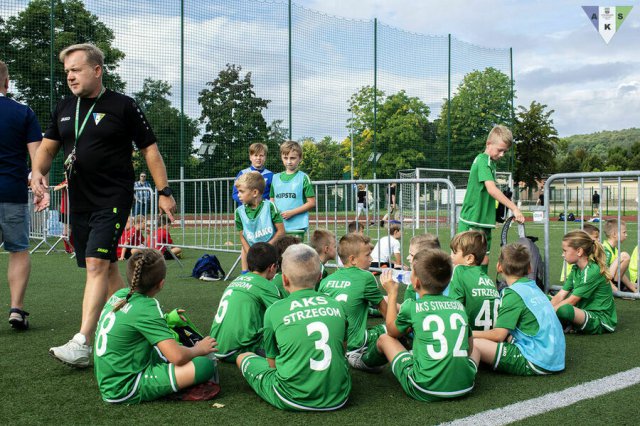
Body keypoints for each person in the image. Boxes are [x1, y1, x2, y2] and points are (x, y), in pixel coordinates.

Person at [31, 43, 177, 367]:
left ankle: (83, 341)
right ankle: (139, 328)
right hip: (79, 200)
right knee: (107, 267)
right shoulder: (65, 107)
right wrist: (37, 173)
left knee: (96, 266)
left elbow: (150, 150)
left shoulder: (123, 106)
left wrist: (163, 190)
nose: (70, 76)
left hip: (112, 198)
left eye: (76, 69)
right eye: (67, 71)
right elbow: (47, 149)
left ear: (97, 70)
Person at [94, 249, 219, 403]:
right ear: (161, 284)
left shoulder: (120, 295)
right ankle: (173, 389)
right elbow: (177, 357)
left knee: (168, 347)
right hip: (124, 387)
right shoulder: (147, 306)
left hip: (115, 373)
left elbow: (134, 323)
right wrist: (199, 348)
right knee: (204, 365)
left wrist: (167, 319)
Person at [236, 244, 351, 411]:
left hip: (292, 397)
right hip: (339, 396)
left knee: (243, 357)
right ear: (320, 276)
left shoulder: (274, 310)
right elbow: (342, 349)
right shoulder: (336, 305)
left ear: (284, 279)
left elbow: (272, 363)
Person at [377, 249, 477, 401]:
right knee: (478, 351)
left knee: (384, 339)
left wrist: (392, 295)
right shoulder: (459, 306)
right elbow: (469, 350)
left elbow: (392, 331)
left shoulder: (412, 306)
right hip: (466, 386)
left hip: (425, 388)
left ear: (416, 281)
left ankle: (362, 361)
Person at [473, 243, 565, 375]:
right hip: (555, 357)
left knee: (475, 343)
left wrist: (468, 333)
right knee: (510, 334)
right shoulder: (534, 288)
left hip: (537, 360)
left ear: (499, 267)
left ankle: (466, 377)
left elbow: (498, 335)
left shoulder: (512, 293)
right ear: (529, 268)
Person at [0, 60, 44, 330]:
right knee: (17, 251)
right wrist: (40, 188)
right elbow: (38, 157)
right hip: (12, 193)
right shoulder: (23, 112)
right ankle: (16, 309)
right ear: (7, 82)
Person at [458, 125, 524, 273]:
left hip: (483, 221)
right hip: (472, 219)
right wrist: (514, 207)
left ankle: (480, 292)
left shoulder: (491, 163)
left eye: (504, 151)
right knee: (465, 261)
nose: (501, 154)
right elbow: (491, 189)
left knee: (484, 259)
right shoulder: (483, 160)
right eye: (499, 150)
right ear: (488, 144)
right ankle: (459, 293)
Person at [318, 233, 388, 372]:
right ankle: (359, 357)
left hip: (331, 343)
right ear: (353, 259)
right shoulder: (366, 277)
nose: (371, 259)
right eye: (367, 255)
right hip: (353, 343)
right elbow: (386, 311)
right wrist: (392, 294)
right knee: (400, 327)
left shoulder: (325, 281)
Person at [210, 243, 280, 363]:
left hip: (214, 346)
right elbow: (284, 316)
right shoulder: (266, 285)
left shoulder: (237, 279)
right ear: (272, 267)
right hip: (238, 349)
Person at [551, 230, 617, 334]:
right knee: (545, 299)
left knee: (565, 310)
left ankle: (563, 324)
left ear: (579, 251)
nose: (562, 254)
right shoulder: (575, 269)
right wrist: (545, 309)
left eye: (565, 251)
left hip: (600, 319)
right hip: (582, 311)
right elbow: (560, 295)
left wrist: (545, 316)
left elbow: (572, 301)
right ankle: (565, 324)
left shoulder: (593, 271)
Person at [447, 231, 500, 331]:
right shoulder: (487, 279)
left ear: (469, 259)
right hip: (489, 336)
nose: (451, 256)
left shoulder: (459, 270)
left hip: (470, 336)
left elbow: (453, 308)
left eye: (455, 252)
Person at [235, 171, 284, 272]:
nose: (238, 195)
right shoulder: (239, 212)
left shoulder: (270, 206)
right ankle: (245, 273)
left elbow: (281, 231)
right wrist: (253, 256)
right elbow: (242, 237)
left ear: (255, 193)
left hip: (271, 254)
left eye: (241, 191)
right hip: (253, 258)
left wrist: (266, 249)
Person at [270, 141, 316, 238]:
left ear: (300, 158)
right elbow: (272, 201)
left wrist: (292, 213)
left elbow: (311, 203)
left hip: (297, 226)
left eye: (292, 158)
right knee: (279, 253)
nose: (289, 161)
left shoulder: (303, 177)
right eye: (285, 158)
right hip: (278, 226)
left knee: (295, 253)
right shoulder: (275, 178)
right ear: (281, 157)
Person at [402, 234, 441, 303]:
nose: (407, 258)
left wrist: (391, 295)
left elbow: (407, 312)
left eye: (411, 255)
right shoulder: (448, 279)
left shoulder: (413, 286)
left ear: (425, 259)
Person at [602, 219, 636, 292]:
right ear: (614, 234)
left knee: (635, 285)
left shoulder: (615, 250)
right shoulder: (605, 250)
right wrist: (617, 291)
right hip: (605, 283)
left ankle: (620, 285)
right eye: (624, 232)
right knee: (624, 256)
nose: (626, 234)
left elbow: (620, 273)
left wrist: (633, 289)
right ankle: (616, 286)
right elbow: (602, 274)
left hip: (611, 280)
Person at [53, 179, 74, 254]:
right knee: (67, 230)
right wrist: (65, 185)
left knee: (74, 230)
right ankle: (69, 248)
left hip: (76, 209)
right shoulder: (65, 182)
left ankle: (73, 248)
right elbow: (55, 188)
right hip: (65, 210)